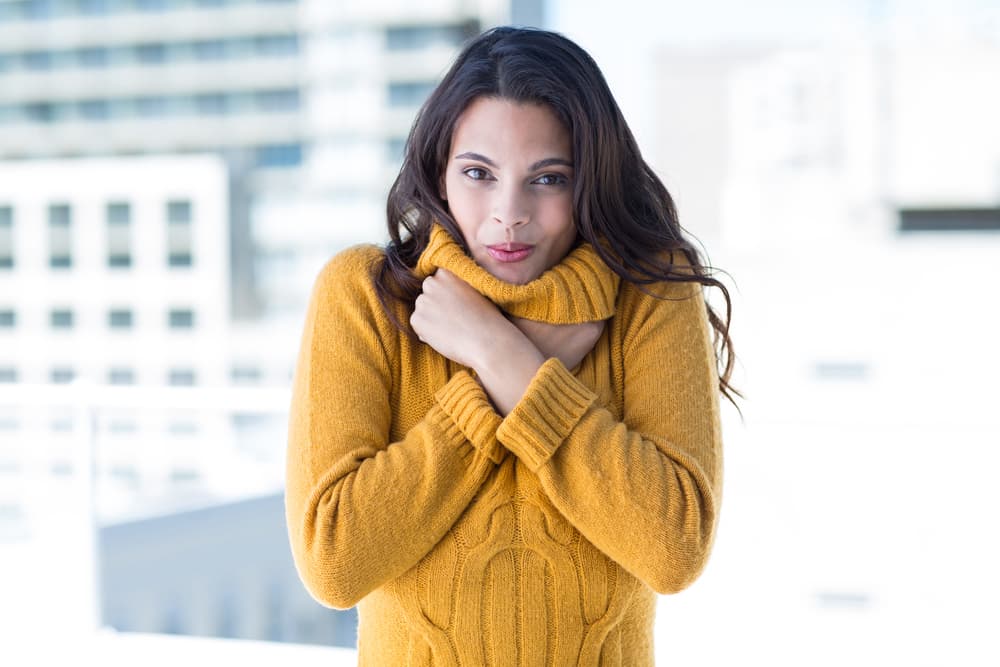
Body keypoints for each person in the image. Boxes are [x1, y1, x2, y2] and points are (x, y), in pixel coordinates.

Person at [285, 26, 737, 666]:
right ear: (440, 174)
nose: (509, 212)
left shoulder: (649, 294)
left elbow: (674, 548)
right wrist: (495, 383)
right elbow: (333, 561)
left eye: (547, 178)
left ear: (590, 181)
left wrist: (504, 357)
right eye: (478, 173)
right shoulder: (364, 296)